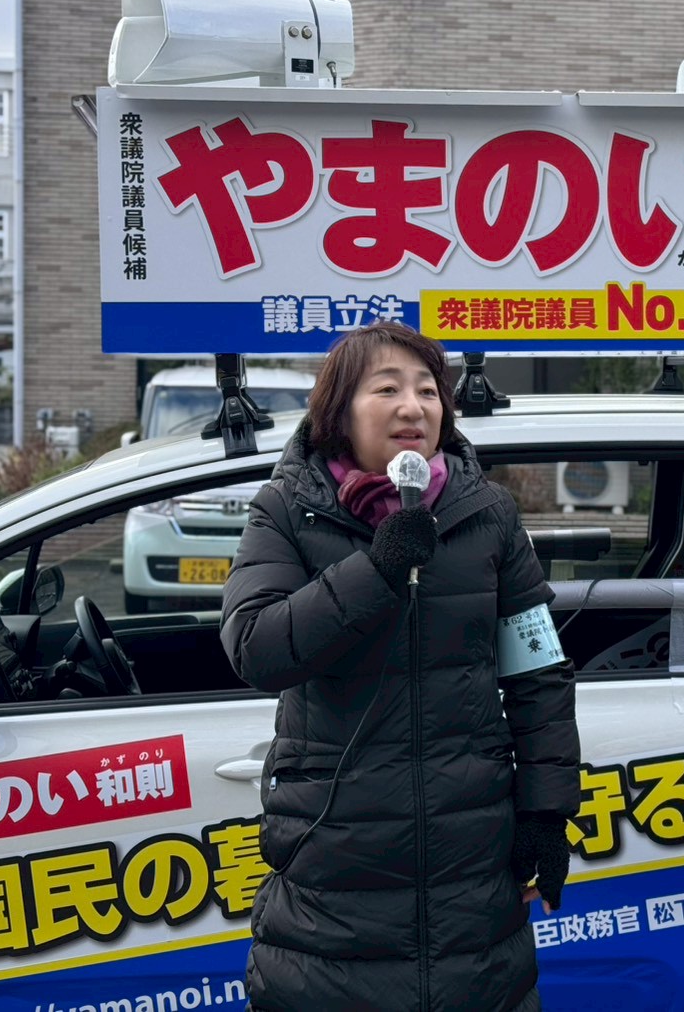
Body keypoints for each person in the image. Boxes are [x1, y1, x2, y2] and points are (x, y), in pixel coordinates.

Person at [220, 323, 580, 1012]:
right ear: (339, 411)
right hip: (333, 863)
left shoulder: (488, 515)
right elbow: (256, 649)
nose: (413, 407)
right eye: (386, 389)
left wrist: (546, 811)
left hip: (471, 860)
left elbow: (537, 670)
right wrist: (378, 566)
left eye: (428, 391)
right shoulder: (287, 510)